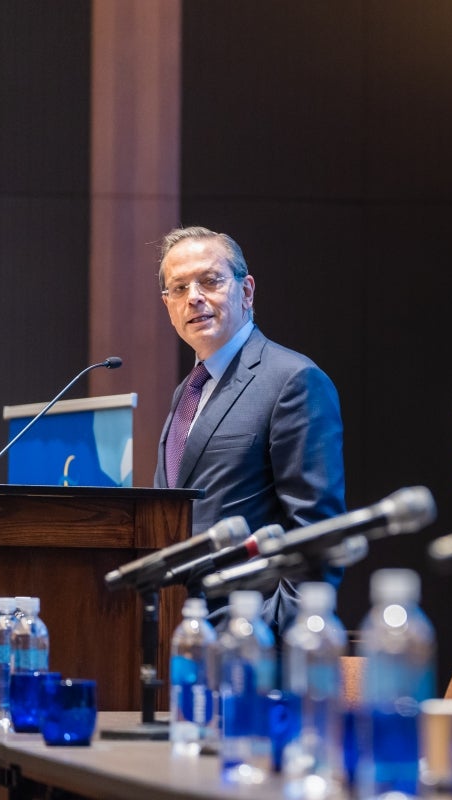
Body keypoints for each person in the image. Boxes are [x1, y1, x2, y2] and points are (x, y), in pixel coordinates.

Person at [154, 226, 346, 633]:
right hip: (181, 637)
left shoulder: (293, 381)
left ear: (247, 291)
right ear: (168, 304)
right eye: (179, 287)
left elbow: (319, 537)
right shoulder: (187, 392)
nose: (194, 297)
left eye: (210, 281)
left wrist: (264, 636)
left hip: (249, 650)